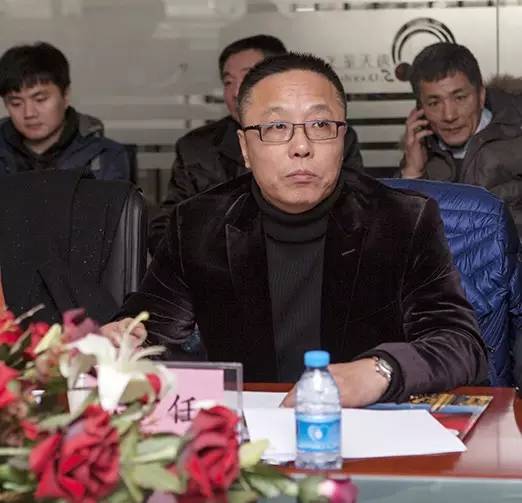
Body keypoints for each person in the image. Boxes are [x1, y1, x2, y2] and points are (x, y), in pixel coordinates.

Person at [113, 52, 488, 407]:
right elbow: (146, 331)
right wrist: (118, 342)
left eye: (320, 125)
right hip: (249, 435)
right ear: (245, 147)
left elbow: (459, 344)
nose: (301, 146)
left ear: (342, 138)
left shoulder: (401, 220)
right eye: (277, 127)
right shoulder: (198, 224)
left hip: (362, 430)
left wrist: (379, 371)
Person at [148, 35, 363, 253]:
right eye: (228, 82)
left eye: (248, 76)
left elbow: (357, 210)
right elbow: (166, 229)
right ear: (244, 146)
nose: (236, 92)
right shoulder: (196, 148)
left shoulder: (331, 135)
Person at [399, 42, 522, 234]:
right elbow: (400, 236)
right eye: (434, 103)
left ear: (481, 96)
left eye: (460, 98)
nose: (449, 115)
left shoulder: (516, 136)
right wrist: (412, 173)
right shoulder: (419, 151)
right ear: (420, 108)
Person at [0, 42, 130, 181]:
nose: (29, 113)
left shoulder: (105, 156)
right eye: (16, 103)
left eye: (40, 99)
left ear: (66, 96)